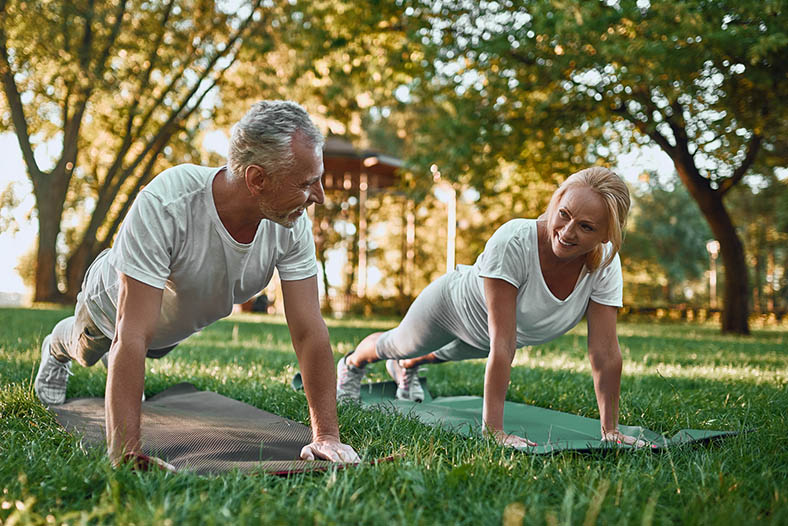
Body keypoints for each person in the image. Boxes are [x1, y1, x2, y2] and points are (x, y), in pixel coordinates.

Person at [34, 100, 360, 467]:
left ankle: (119, 362)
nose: (319, 196)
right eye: (306, 183)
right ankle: (55, 347)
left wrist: (327, 437)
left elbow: (309, 330)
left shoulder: (289, 223)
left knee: (148, 347)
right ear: (256, 179)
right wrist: (125, 452)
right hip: (111, 306)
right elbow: (131, 333)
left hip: (168, 327)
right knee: (90, 349)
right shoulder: (167, 203)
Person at [336, 167, 647, 448]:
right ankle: (352, 365)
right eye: (563, 214)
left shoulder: (604, 264)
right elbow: (503, 341)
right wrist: (494, 430)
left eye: (586, 227)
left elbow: (604, 351)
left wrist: (611, 430)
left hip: (486, 338)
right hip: (451, 308)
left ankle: (408, 368)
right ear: (554, 204)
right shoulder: (514, 240)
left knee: (432, 355)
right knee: (398, 344)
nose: (567, 232)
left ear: (607, 233)